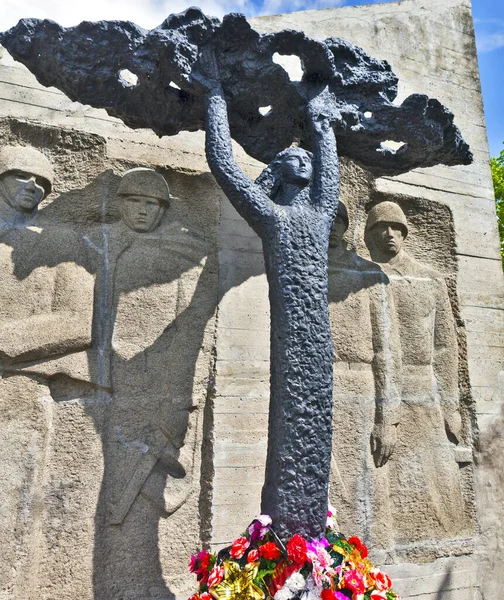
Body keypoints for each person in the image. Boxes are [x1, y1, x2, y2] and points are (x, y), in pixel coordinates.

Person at [93, 167, 212, 599]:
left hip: (162, 384)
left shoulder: (184, 253)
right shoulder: (102, 244)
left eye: (151, 204)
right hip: (109, 384)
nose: (142, 211)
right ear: (119, 203)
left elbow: (191, 327)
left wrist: (184, 391)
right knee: (114, 488)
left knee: (150, 487)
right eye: (134, 202)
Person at [0, 146, 94, 598]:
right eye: (23, 176)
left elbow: (78, 320)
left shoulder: (59, 244)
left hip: (21, 388)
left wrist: (7, 341)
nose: (33, 187)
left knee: (12, 505)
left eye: (42, 182)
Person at [365, 200, 472, 552]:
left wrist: (451, 406)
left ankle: (444, 542)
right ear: (369, 233)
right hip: (379, 390)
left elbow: (445, 346)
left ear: (406, 234)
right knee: (386, 475)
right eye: (382, 227)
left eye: (397, 228)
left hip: (423, 388)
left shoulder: (430, 278)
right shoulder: (364, 276)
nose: (390, 234)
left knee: (436, 476)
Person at [328, 201, 400, 550]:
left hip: (359, 387)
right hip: (311, 386)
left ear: (345, 227)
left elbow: (386, 350)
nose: (328, 226)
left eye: (336, 219)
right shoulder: (296, 266)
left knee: (365, 483)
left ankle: (364, 563)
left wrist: (388, 418)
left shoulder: (370, 274)